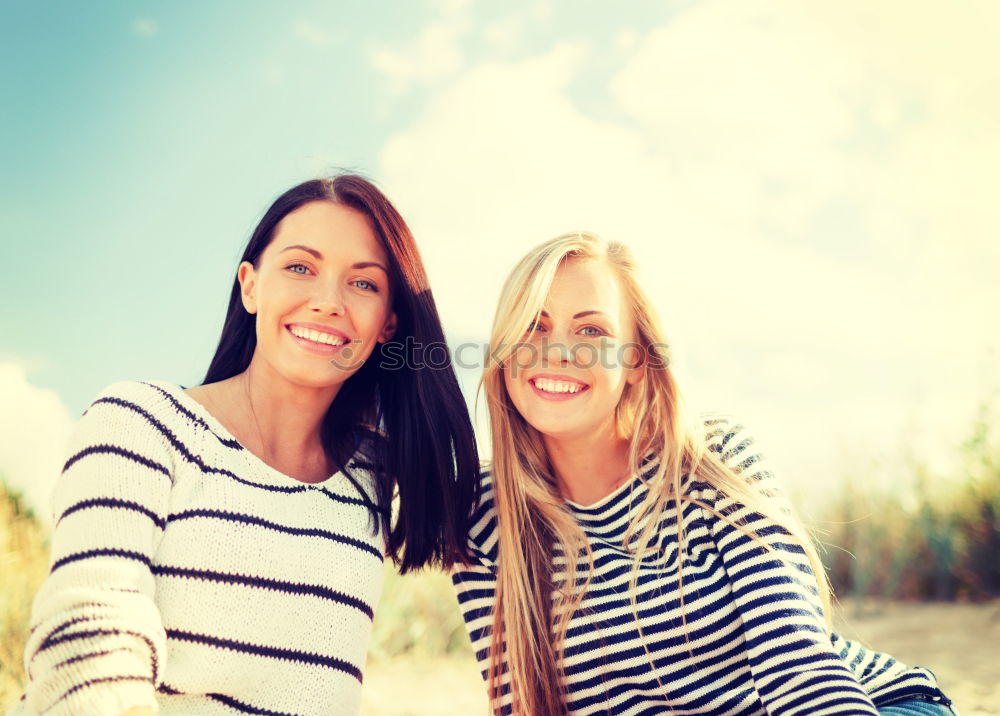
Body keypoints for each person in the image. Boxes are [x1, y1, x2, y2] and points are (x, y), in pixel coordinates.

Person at [10, 175, 480, 716]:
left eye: (364, 284)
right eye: (300, 267)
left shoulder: (377, 478)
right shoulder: (141, 424)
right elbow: (88, 644)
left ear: (388, 325)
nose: (328, 302)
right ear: (250, 286)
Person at [451, 231, 955, 715]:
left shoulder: (714, 459)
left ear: (637, 360)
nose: (558, 351)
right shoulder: (484, 517)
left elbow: (798, 670)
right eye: (534, 325)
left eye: (592, 331)